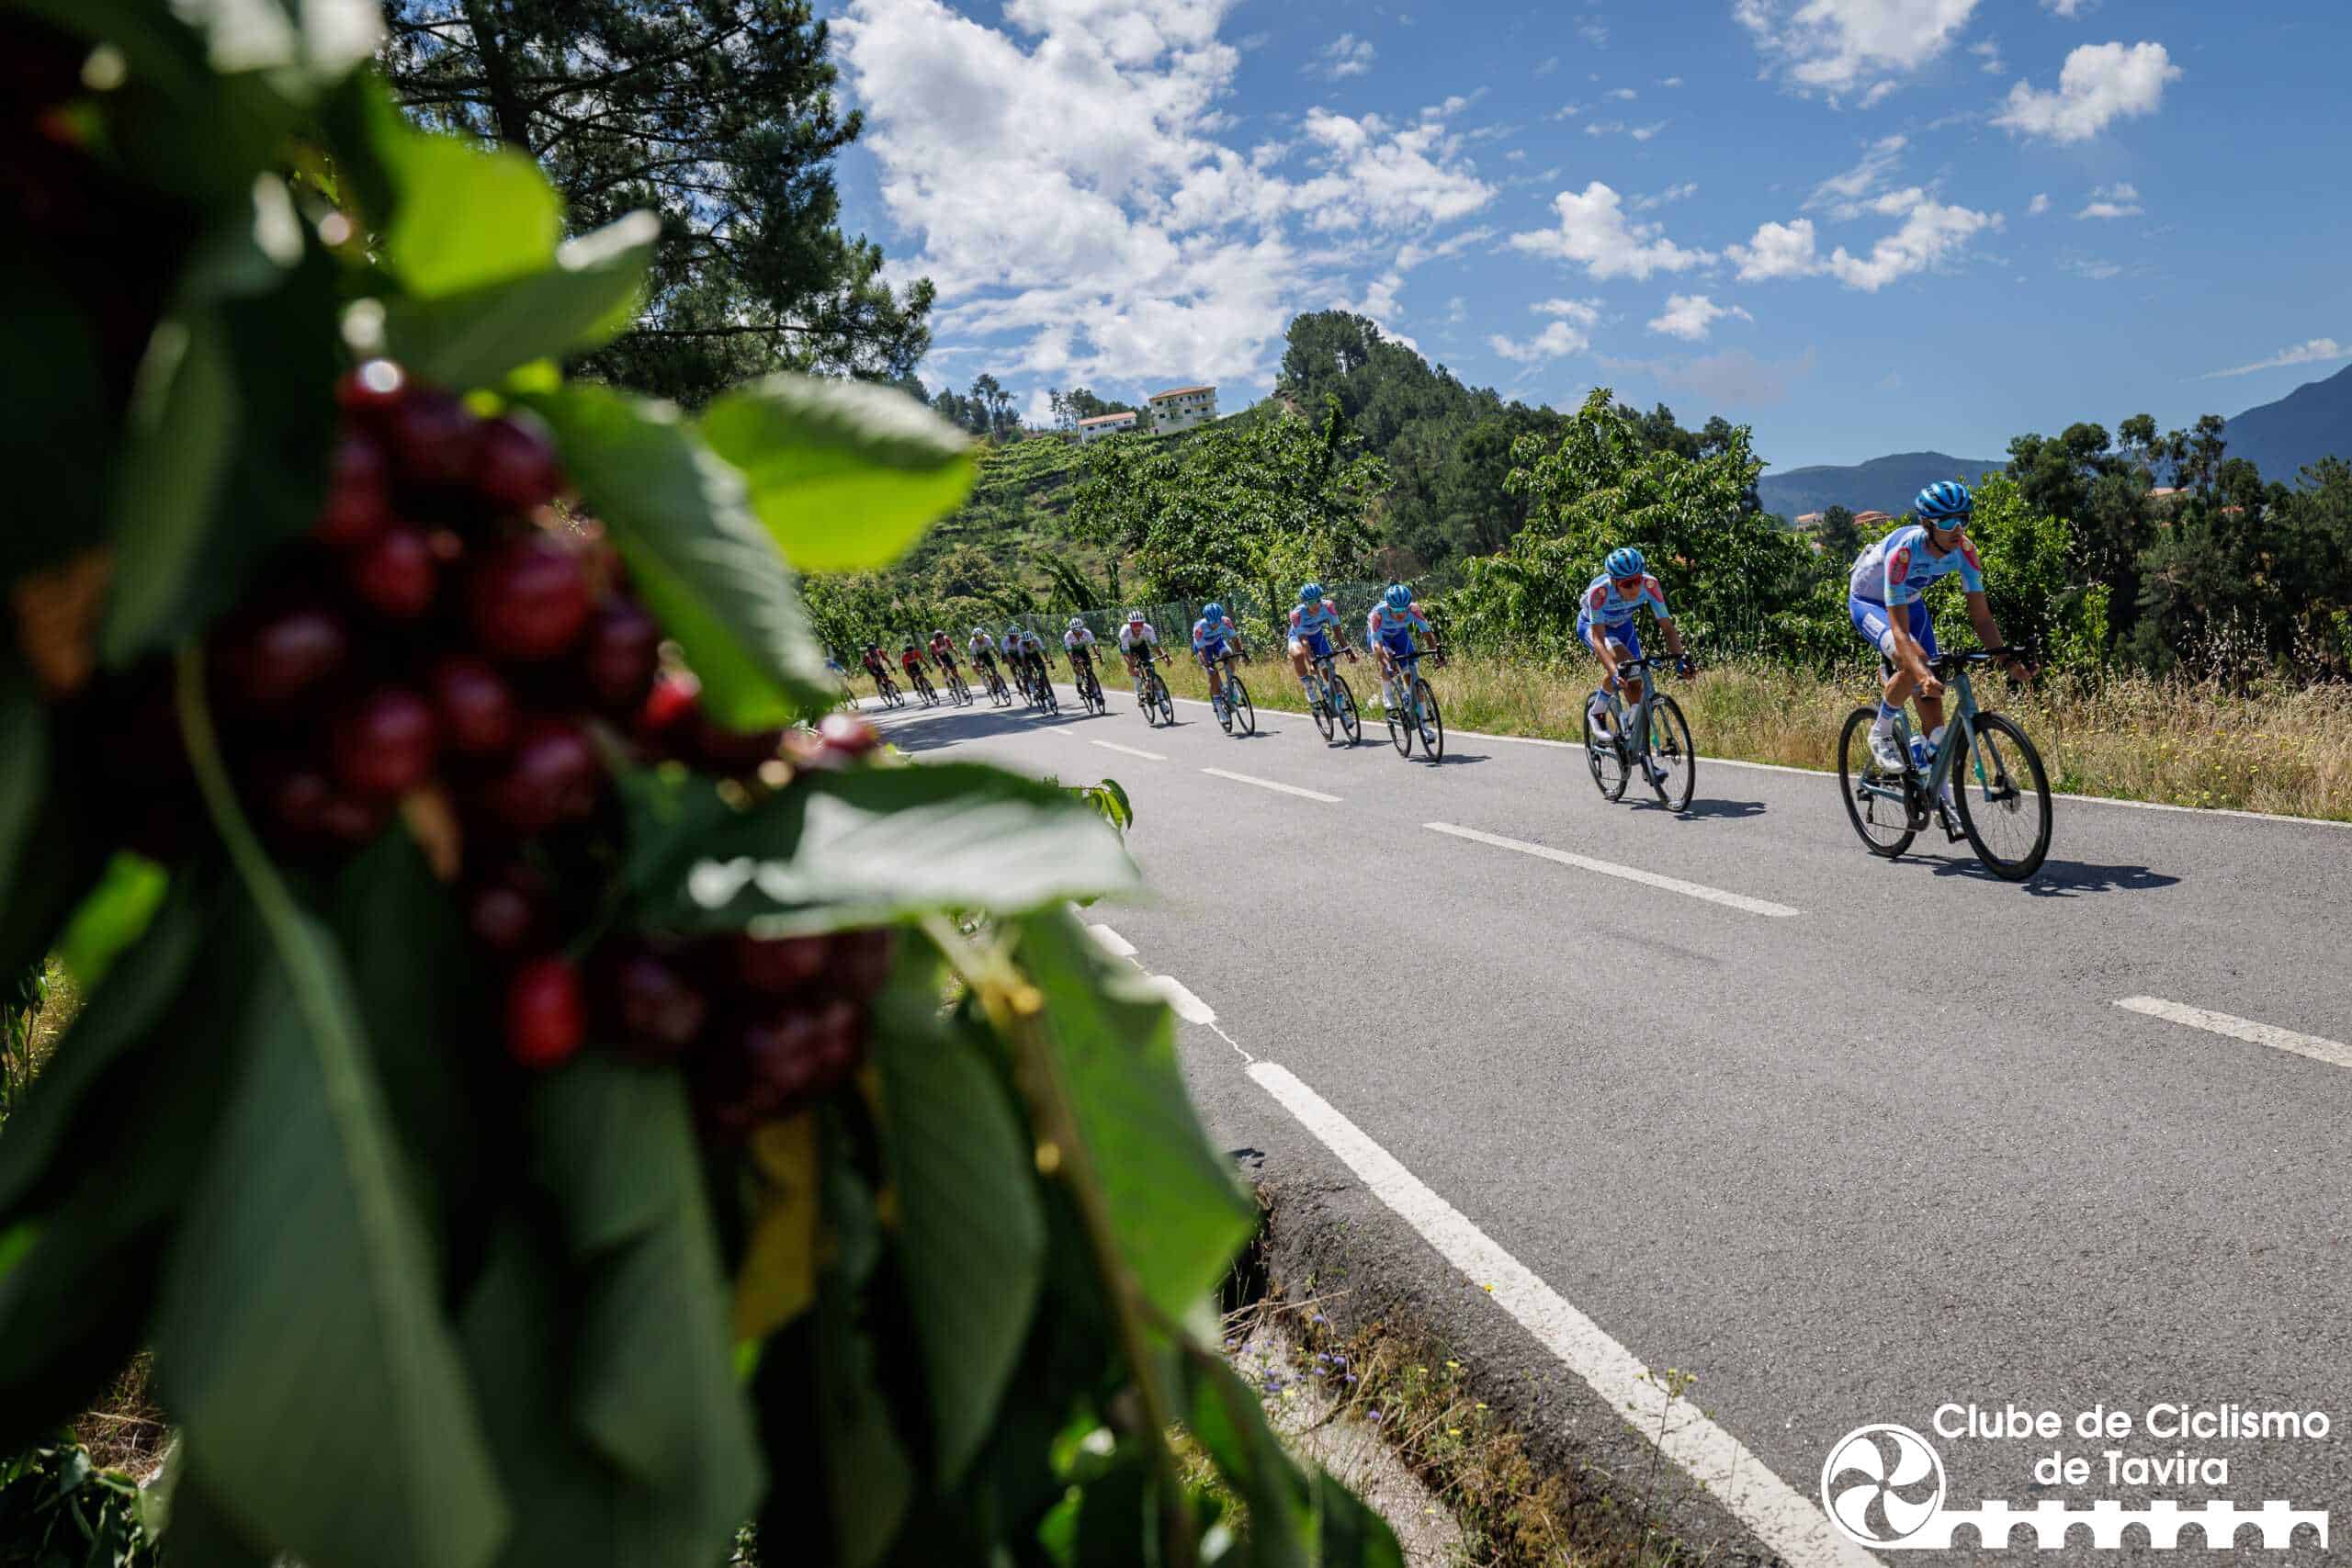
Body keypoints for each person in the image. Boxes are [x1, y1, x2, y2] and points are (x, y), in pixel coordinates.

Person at [1849, 481, 2030, 774]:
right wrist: (1920, 672)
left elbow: (1982, 618)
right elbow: (1898, 630)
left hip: (1909, 601)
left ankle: (1938, 798)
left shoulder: (1966, 552)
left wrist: (2007, 661)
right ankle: (1881, 732)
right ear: (1926, 525)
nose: (1958, 529)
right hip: (1870, 602)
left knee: (1936, 724)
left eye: (1963, 519)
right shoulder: (1904, 553)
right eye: (1947, 522)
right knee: (1916, 662)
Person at [1577, 547, 1690, 781]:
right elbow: (1598, 639)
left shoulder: (1650, 585)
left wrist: (1681, 659)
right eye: (1628, 584)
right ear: (1615, 582)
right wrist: (1612, 670)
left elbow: (1668, 628)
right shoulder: (1599, 592)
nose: (1635, 588)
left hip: (1623, 627)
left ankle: (1642, 755)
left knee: (1637, 687)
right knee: (1623, 665)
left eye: (1637, 580)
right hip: (1594, 627)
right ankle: (1597, 711)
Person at [1364, 581, 1437, 710]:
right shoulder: (1378, 614)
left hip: (1400, 634)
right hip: (1381, 638)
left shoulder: (1414, 609)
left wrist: (1436, 654)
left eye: (1404, 609)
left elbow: (1427, 633)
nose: (1401, 614)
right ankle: (1388, 698)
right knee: (1386, 663)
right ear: (1388, 606)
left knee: (1409, 671)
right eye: (1397, 609)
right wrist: (1387, 663)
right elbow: (1378, 646)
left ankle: (1422, 717)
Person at [1286, 580, 1353, 701]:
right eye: (1311, 602)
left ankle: (1341, 704)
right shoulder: (1296, 614)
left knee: (1329, 671)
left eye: (1318, 600)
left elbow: (1337, 631)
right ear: (1304, 603)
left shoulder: (1328, 606)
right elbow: (1304, 641)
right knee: (1298, 654)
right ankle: (1308, 687)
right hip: (1298, 638)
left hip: (1317, 636)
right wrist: (1311, 661)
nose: (1316, 605)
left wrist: (1347, 650)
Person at [1191, 601, 1247, 716]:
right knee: (1214, 675)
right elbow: (1202, 652)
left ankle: (1231, 684)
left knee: (1228, 655)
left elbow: (1235, 639)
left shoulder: (1225, 621)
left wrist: (1242, 653)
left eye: (1217, 623)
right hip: (1203, 649)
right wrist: (1208, 665)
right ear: (1206, 619)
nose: (1215, 626)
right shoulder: (1199, 628)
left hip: (1217, 642)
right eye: (1212, 623)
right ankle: (1219, 708)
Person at [1116, 608, 1162, 681]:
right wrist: (1133, 666)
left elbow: (1155, 646)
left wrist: (1164, 656)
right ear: (1130, 625)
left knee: (1150, 667)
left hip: (1141, 645)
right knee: (1133, 667)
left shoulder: (1148, 629)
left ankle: (1153, 686)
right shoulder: (1124, 632)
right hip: (1128, 648)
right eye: (1135, 625)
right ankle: (1138, 690)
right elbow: (1127, 654)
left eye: (1140, 624)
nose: (1138, 627)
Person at [1063, 615, 1100, 693]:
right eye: (1075, 630)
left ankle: (1091, 681)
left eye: (1080, 629)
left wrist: (1099, 655)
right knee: (1078, 667)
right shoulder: (1068, 636)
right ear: (1072, 630)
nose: (1078, 632)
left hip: (1082, 650)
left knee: (1089, 668)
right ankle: (1079, 686)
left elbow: (1094, 645)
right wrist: (1073, 665)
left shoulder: (1087, 632)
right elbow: (1069, 653)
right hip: (1073, 652)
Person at [967, 625, 1003, 693]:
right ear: (975, 638)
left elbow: (994, 649)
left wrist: (999, 657)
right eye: (978, 638)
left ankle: (997, 681)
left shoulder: (987, 638)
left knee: (994, 670)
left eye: (981, 637)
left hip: (985, 653)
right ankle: (985, 681)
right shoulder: (972, 643)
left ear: (983, 635)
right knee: (975, 666)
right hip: (976, 656)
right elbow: (975, 657)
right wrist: (979, 666)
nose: (980, 640)